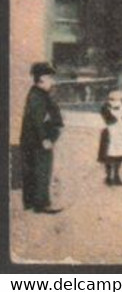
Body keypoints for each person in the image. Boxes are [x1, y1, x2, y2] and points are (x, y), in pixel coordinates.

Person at [19, 62, 64, 213]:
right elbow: (38, 120)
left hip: (31, 140)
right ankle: (42, 204)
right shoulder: (38, 96)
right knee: (42, 170)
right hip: (39, 141)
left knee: (32, 170)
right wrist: (45, 139)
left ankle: (31, 203)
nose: (53, 81)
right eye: (51, 78)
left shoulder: (36, 94)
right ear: (43, 78)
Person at [98, 90, 122, 186]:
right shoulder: (105, 108)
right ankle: (108, 176)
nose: (115, 101)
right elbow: (110, 120)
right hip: (109, 135)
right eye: (113, 99)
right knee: (109, 156)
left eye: (118, 99)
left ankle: (116, 175)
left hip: (121, 134)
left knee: (119, 156)